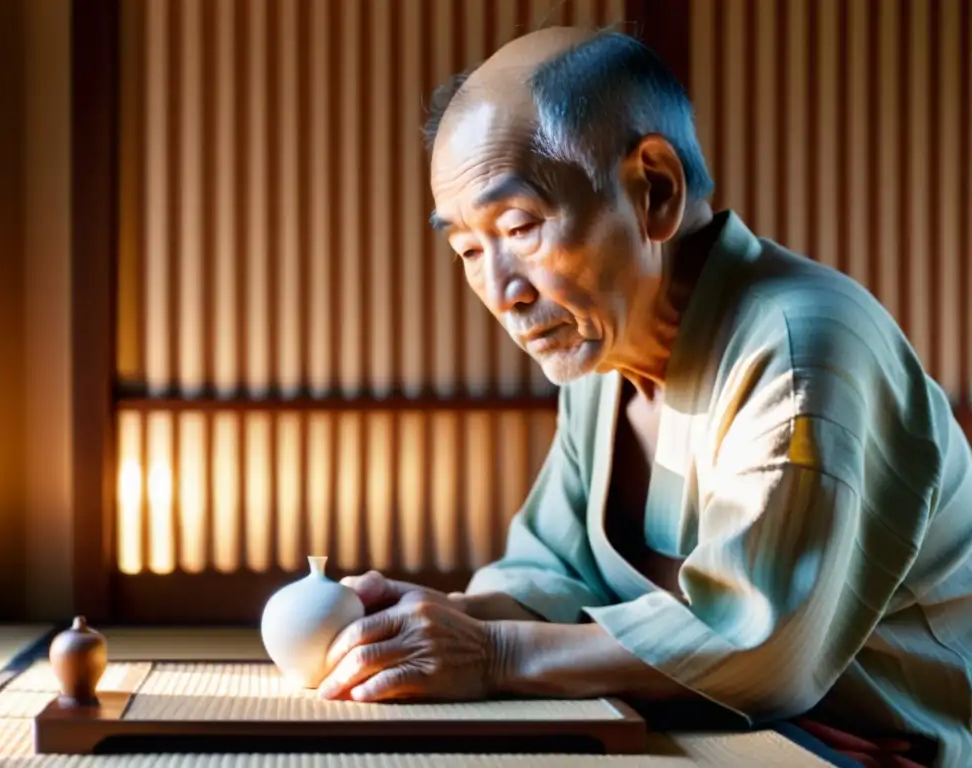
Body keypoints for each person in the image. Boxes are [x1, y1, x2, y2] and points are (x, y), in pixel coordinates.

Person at [317, 26, 972, 768]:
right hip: (728, 732)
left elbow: (757, 651)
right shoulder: (606, 358)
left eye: (521, 226)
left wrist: (492, 652)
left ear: (654, 189)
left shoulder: (802, 348)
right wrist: (431, 619)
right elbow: (553, 580)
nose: (500, 291)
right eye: (468, 249)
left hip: (882, 749)